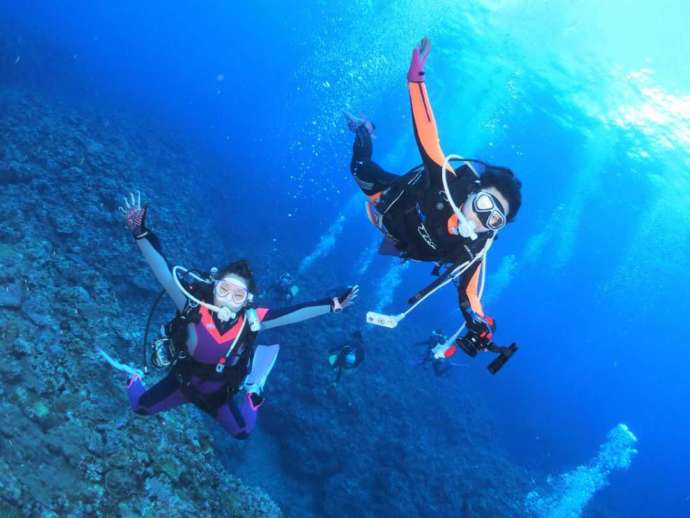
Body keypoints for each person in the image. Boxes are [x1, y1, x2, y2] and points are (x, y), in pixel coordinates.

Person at [118, 192, 359, 439]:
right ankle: (134, 376)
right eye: (223, 290)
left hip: (218, 395)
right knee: (139, 407)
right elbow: (164, 272)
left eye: (237, 295)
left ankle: (253, 391)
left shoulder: (252, 319)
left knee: (243, 431)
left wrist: (333, 304)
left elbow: (295, 313)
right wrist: (140, 233)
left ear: (248, 300)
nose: (228, 300)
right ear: (214, 288)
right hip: (181, 383)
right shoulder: (192, 305)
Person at [345, 36, 522, 348]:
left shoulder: (474, 250)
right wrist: (415, 81)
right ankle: (364, 129)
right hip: (387, 199)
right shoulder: (446, 181)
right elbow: (428, 136)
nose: (482, 219)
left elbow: (470, 295)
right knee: (359, 167)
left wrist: (478, 323)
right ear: (473, 192)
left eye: (494, 219)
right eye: (484, 204)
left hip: (401, 242)